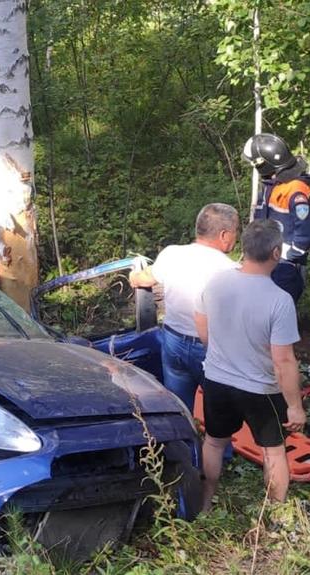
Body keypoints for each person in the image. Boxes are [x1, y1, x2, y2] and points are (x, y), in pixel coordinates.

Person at [195, 220, 307, 511]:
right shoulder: (279, 301)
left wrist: (219, 353)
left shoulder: (216, 282)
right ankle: (274, 514)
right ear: (276, 253)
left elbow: (201, 324)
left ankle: (204, 504)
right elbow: (283, 361)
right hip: (261, 389)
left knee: (214, 442)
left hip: (217, 380)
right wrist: (295, 406)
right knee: (273, 451)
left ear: (243, 249)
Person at [129, 203, 239, 413]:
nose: (236, 237)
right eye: (236, 232)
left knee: (179, 411)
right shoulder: (232, 271)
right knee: (220, 422)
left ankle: (183, 444)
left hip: (173, 343)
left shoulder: (172, 254)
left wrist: (133, 275)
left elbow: (142, 279)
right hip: (211, 349)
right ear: (224, 235)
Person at [243, 133, 310, 302]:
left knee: (279, 309)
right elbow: (261, 217)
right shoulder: (272, 185)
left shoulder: (296, 190)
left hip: (286, 265)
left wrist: (294, 254)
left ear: (264, 165)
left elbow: (305, 227)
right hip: (267, 258)